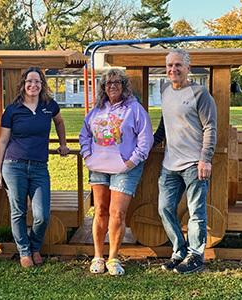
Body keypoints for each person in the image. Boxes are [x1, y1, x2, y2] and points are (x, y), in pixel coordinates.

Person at [79, 69, 153, 275]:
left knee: (117, 213)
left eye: (117, 82)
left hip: (124, 169)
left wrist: (132, 161)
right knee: (100, 211)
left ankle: (112, 258)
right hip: (98, 168)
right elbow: (84, 134)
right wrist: (87, 155)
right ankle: (97, 256)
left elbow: (146, 138)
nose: (112, 86)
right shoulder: (96, 111)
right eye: (108, 83)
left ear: (124, 85)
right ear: (103, 88)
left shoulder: (134, 109)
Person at [0, 67, 69, 268]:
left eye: (37, 81)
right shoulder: (12, 109)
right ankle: (24, 251)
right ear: (23, 84)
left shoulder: (49, 105)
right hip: (13, 166)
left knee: (42, 215)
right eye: (29, 81)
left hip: (39, 168)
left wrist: (63, 144)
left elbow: (59, 122)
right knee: (18, 211)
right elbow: (2, 141)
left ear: (42, 84)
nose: (33, 85)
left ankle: (35, 246)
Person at [153, 49, 217, 274]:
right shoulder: (165, 92)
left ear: (188, 68)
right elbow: (164, 126)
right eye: (169, 65)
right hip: (169, 164)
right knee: (164, 208)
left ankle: (196, 256)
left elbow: (210, 127)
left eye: (178, 65)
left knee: (196, 212)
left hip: (194, 164)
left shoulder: (200, 94)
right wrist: (147, 145)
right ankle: (179, 251)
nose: (173, 69)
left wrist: (205, 159)